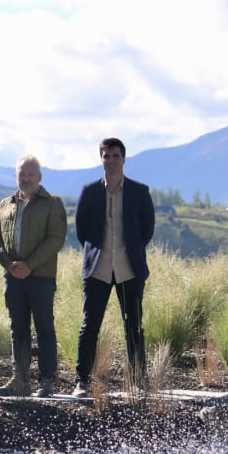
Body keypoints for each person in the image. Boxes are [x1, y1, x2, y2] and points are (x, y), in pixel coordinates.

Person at [72, 137, 155, 396]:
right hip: (98, 269)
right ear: (100, 158)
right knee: (90, 325)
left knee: (133, 325)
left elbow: (146, 230)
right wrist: (99, 253)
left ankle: (138, 381)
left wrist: (129, 251)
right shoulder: (90, 191)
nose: (110, 160)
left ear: (123, 158)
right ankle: (82, 381)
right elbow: (81, 230)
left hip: (129, 269)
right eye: (105, 156)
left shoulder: (139, 191)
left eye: (115, 156)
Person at [0, 156, 67, 398]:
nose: (26, 179)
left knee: (44, 328)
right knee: (18, 329)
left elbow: (55, 239)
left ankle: (46, 381)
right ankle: (19, 380)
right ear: (17, 177)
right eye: (22, 174)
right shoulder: (6, 204)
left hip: (41, 277)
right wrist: (10, 265)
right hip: (12, 278)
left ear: (40, 177)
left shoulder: (53, 203)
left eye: (31, 174)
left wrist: (29, 265)